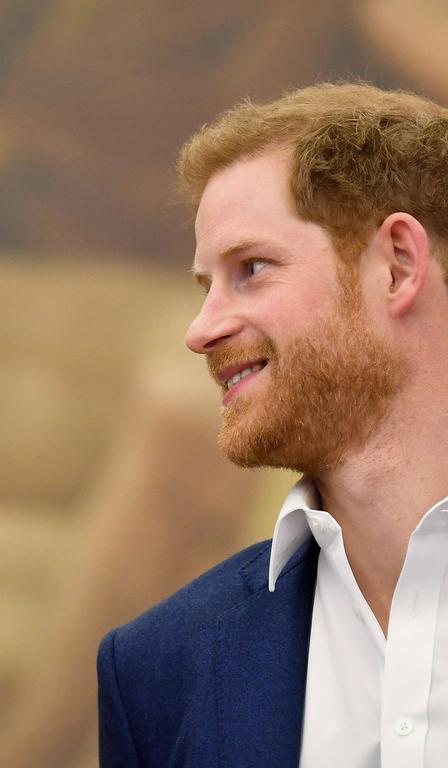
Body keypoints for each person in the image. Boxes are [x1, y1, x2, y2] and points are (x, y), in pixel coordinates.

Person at [98, 81, 448, 767]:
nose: (200, 332)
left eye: (250, 269)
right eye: (206, 287)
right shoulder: (159, 667)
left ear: (399, 266)